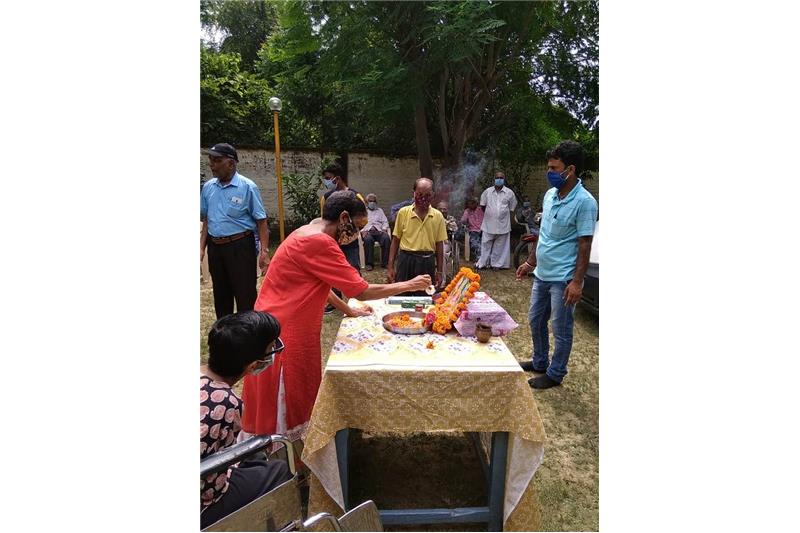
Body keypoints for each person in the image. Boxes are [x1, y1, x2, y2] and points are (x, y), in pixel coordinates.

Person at [241, 190, 431, 441]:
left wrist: (348, 310)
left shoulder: (308, 230)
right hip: (285, 329)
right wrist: (408, 285)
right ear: (344, 218)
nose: (359, 234)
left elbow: (320, 283)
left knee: (301, 390)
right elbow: (361, 290)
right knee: (289, 395)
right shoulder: (319, 241)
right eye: (359, 226)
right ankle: (286, 455)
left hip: (280, 322)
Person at [515, 141, 598, 389]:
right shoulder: (550, 195)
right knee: (535, 320)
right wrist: (530, 262)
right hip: (542, 274)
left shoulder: (585, 202)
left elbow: (585, 245)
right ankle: (540, 361)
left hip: (563, 278)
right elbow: (544, 231)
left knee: (561, 328)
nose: (549, 172)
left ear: (570, 169)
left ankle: (556, 372)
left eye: (554, 167)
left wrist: (577, 282)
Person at [201, 311, 291, 529]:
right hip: (204, 499)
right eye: (271, 349)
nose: (272, 354)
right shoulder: (226, 403)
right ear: (251, 366)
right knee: (278, 470)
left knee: (254, 457)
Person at [201, 143, 271, 319]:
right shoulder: (208, 187)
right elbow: (207, 220)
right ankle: (225, 337)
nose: (212, 165)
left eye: (217, 161)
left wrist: (264, 251)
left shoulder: (247, 187)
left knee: (245, 295)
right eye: (211, 160)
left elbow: (261, 221)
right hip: (216, 247)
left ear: (231, 164)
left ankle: (248, 334)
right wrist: (201, 248)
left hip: (240, 247)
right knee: (221, 294)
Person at [387, 178, 448, 292]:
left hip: (427, 262)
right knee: (402, 295)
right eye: (419, 195)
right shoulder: (403, 213)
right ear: (413, 193)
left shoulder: (438, 216)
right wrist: (390, 267)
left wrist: (439, 271)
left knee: (424, 298)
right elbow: (395, 241)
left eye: (427, 195)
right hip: (406, 261)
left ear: (433, 195)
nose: (423, 198)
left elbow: (439, 245)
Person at [320, 162, 365, 313]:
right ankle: (335, 301)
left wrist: (350, 232)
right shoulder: (326, 198)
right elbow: (324, 219)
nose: (326, 181)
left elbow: (363, 219)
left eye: (328, 178)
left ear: (337, 178)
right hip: (332, 242)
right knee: (332, 270)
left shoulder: (355, 196)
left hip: (350, 242)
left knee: (353, 268)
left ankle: (358, 298)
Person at [476, 170, 518, 270]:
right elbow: (483, 205)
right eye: (497, 178)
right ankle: (482, 263)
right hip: (488, 223)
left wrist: (502, 215)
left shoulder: (509, 193)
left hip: (503, 224)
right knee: (485, 244)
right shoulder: (487, 192)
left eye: (501, 178)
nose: (499, 180)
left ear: (504, 180)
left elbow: (512, 208)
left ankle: (496, 265)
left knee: (500, 246)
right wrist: (491, 214)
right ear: (494, 179)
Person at [362, 193, 391, 271]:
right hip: (367, 231)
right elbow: (358, 222)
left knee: (386, 238)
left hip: (379, 231)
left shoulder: (380, 211)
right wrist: (362, 231)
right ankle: (369, 264)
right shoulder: (363, 211)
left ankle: (385, 263)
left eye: (374, 201)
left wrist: (384, 229)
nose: (372, 202)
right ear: (367, 202)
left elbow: (385, 221)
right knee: (368, 240)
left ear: (376, 202)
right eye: (370, 201)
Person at [460, 197, 484, 261]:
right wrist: (466, 225)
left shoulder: (481, 209)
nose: (471, 205)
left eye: (473, 203)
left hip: (483, 230)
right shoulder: (467, 211)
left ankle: (484, 259)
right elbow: (463, 220)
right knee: (475, 244)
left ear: (476, 204)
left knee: (484, 244)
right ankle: (480, 258)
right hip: (473, 231)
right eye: (469, 204)